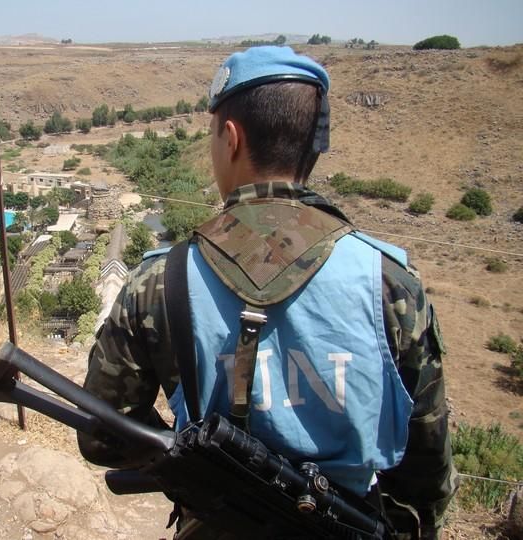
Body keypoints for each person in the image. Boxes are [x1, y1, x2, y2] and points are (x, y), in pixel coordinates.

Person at [78, 46, 458, 539]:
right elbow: (426, 468)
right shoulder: (388, 281)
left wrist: (195, 461)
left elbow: (103, 435)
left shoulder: (160, 280)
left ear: (230, 138)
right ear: (311, 146)